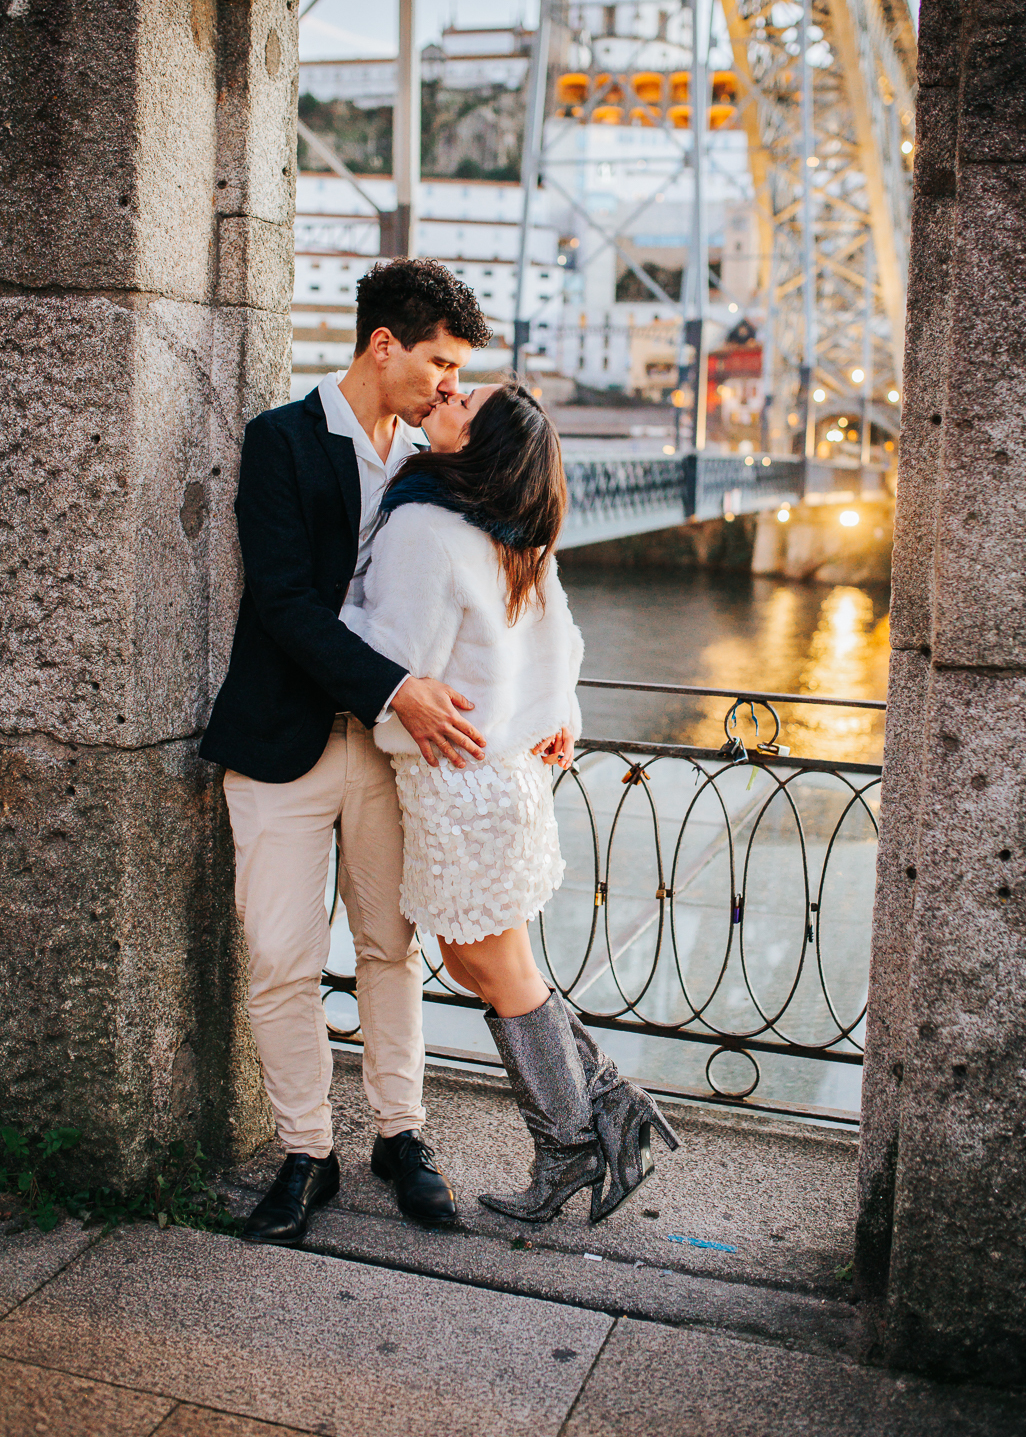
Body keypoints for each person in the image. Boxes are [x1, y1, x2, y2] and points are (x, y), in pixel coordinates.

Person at [200, 259, 493, 1246]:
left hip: (389, 754)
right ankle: (306, 1152)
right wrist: (396, 687)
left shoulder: (433, 459)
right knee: (281, 957)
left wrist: (547, 707)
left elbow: (499, 578)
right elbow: (283, 602)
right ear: (383, 344)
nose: (449, 387)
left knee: (390, 951)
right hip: (282, 740)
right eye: (440, 364)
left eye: (457, 372)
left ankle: (400, 1136)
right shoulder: (280, 440)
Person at [347, 379, 680, 1222]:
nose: (448, 396)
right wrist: (557, 713)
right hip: (502, 783)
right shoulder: (514, 534)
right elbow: (563, 643)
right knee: (479, 965)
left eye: (467, 403)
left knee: (496, 969)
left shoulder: (426, 525)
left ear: (478, 444)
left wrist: (326, 613)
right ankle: (609, 1106)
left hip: (459, 782)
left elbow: (392, 654)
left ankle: (571, 1143)